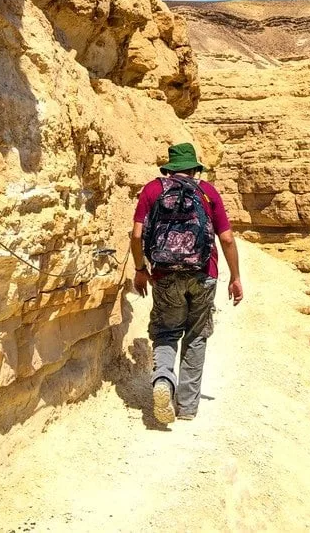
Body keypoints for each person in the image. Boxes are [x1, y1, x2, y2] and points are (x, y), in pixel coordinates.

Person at [131, 143, 243, 425]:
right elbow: (227, 238)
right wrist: (235, 277)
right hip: (204, 273)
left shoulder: (153, 190)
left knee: (167, 332)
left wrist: (140, 269)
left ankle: (163, 383)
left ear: (170, 168)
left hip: (165, 274)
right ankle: (188, 408)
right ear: (194, 169)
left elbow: (135, 235)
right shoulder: (207, 192)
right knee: (196, 336)